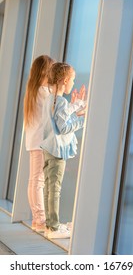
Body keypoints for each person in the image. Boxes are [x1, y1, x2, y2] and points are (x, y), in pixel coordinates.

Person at [41, 62, 87, 239]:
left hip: (48, 148)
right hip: (56, 151)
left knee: (49, 187)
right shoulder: (59, 101)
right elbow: (63, 128)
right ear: (64, 80)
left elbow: (63, 114)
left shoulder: (50, 99)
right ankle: (53, 228)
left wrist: (77, 106)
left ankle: (50, 225)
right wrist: (84, 120)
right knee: (55, 188)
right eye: (72, 80)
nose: (73, 84)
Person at [23, 55, 55, 232]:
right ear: (44, 72)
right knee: (37, 181)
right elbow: (53, 113)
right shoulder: (43, 92)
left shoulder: (34, 91)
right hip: (40, 143)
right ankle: (39, 219)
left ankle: (38, 219)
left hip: (35, 142)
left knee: (35, 180)